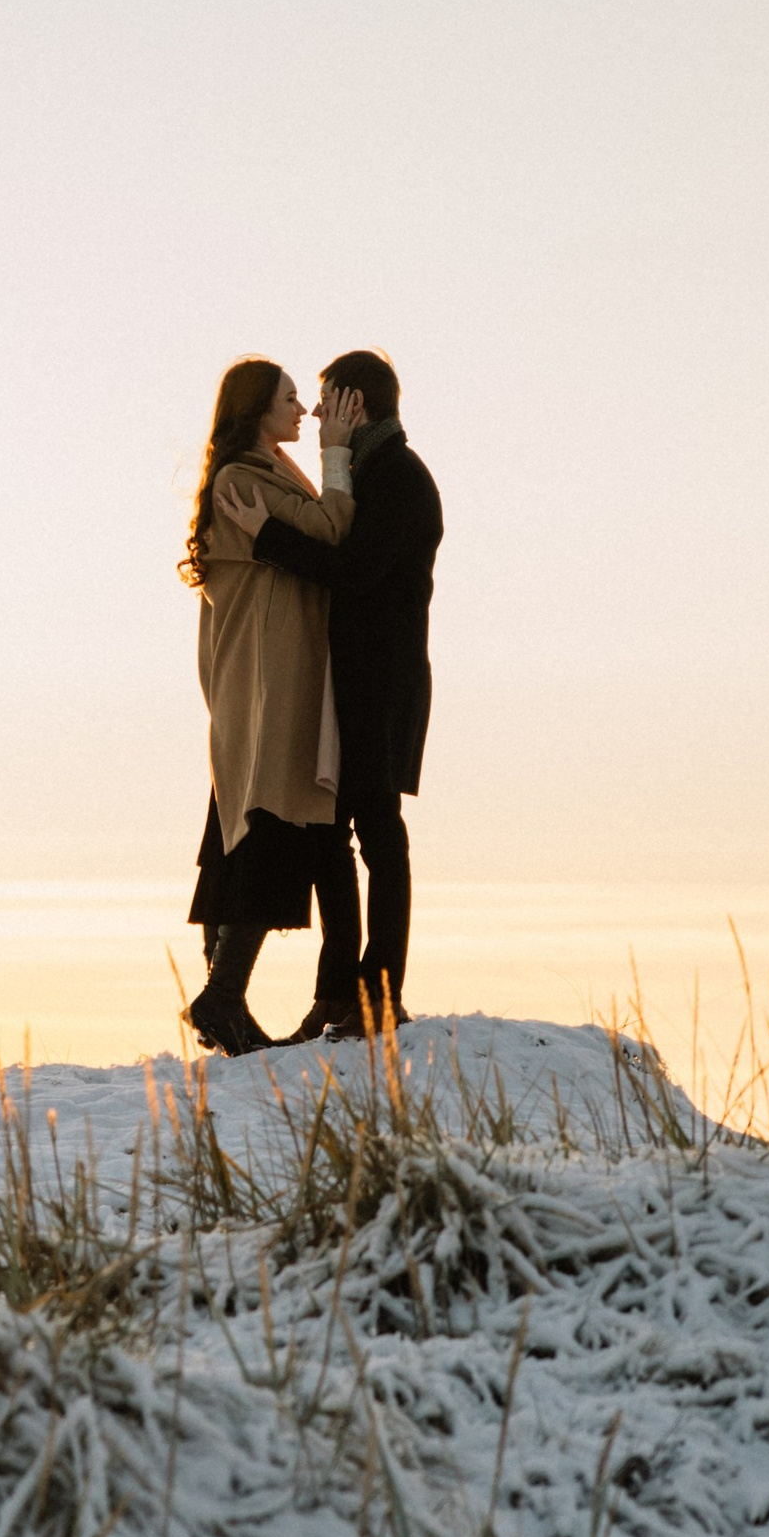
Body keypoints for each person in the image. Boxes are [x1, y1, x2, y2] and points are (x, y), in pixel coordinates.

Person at [216, 347, 442, 1041]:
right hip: (348, 684)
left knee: (378, 835)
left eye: (325, 399)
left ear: (354, 404)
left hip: (383, 685)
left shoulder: (399, 477)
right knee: (332, 839)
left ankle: (379, 996)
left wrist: (266, 536)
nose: (315, 413)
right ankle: (338, 994)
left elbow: (351, 570)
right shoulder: (367, 472)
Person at [178, 358, 366, 1054]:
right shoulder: (242, 480)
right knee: (261, 831)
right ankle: (222, 998)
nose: (304, 411)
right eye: (290, 398)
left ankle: (224, 1001)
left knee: (248, 833)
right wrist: (336, 453)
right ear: (257, 407)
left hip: (269, 681)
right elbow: (330, 529)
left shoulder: (265, 473)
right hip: (267, 685)